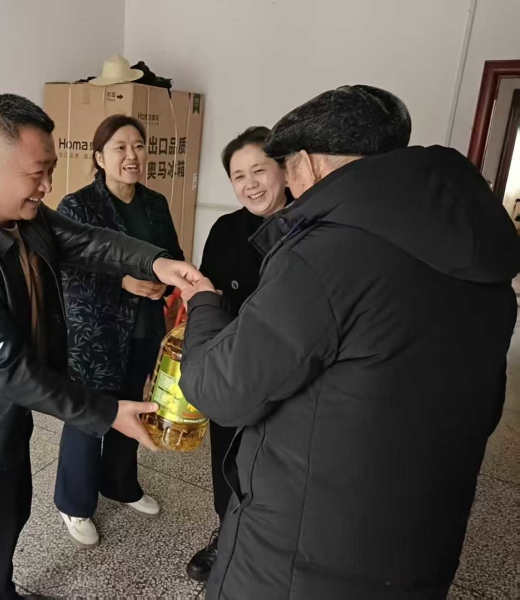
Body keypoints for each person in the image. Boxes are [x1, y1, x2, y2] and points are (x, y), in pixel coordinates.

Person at [179, 85, 519, 600]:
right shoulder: (479, 251)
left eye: (280, 167)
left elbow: (221, 389)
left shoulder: (326, 253)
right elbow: (485, 406)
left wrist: (203, 304)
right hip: (420, 540)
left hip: (305, 556)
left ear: (307, 164)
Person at [0, 94, 201, 599]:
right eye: (36, 173)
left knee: (7, 521)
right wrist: (107, 411)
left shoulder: (23, 215)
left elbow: (88, 240)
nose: (46, 186)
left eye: (51, 171)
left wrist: (157, 263)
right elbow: (9, 370)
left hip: (8, 417)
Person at [53, 115, 184, 547]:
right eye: (120, 148)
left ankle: (121, 484)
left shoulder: (155, 203)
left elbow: (171, 255)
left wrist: (165, 284)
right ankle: (74, 502)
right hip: (97, 333)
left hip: (145, 328)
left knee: (134, 409)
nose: (132, 156)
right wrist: (122, 282)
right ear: (99, 157)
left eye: (139, 146)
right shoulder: (78, 206)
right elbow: (66, 273)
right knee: (89, 416)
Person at [185, 125, 290, 582]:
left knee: (281, 465)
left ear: (285, 169)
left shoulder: (311, 228)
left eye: (259, 170)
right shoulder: (227, 229)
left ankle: (271, 550)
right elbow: (210, 297)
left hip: (291, 369)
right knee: (227, 454)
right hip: (235, 365)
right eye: (238, 176)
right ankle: (226, 533)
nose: (250, 184)